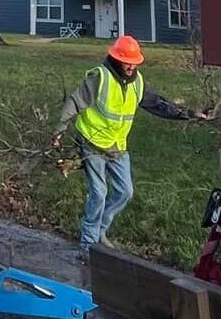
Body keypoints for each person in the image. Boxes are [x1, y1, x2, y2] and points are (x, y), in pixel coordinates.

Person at [54, 34, 209, 258]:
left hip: (118, 147)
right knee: (98, 193)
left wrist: (190, 115)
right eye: (126, 61)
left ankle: (101, 231)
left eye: (134, 62)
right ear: (116, 59)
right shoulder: (101, 78)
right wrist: (58, 130)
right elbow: (74, 102)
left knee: (125, 192)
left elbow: (159, 104)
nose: (130, 66)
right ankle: (88, 245)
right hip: (92, 144)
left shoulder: (138, 83)